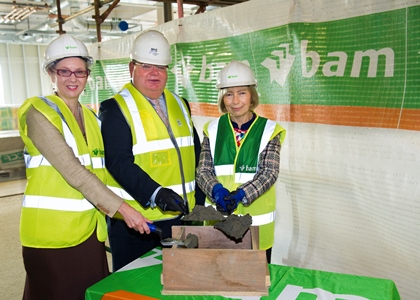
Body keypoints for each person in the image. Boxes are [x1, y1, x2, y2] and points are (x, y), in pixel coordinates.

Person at [18, 34, 150, 300]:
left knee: (89, 293)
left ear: (88, 75)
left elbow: (101, 172)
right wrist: (124, 210)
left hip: (89, 231)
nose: (72, 78)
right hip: (51, 235)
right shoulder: (38, 112)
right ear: (50, 73)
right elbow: (74, 171)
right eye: (64, 71)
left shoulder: (90, 116)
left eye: (80, 72)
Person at [99, 30, 205, 271]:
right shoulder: (114, 109)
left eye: (161, 66)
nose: (155, 73)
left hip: (181, 219)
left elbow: (196, 155)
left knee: (181, 287)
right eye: (146, 66)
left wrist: (198, 202)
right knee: (134, 292)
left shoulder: (180, 103)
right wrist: (156, 194)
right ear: (131, 68)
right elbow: (118, 162)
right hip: (137, 224)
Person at [196, 60, 286, 263]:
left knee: (254, 284)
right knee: (218, 280)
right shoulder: (212, 129)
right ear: (222, 98)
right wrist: (216, 191)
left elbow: (269, 173)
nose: (235, 101)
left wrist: (242, 194)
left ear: (252, 95)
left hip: (256, 225)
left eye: (242, 93)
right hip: (218, 223)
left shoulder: (270, 130)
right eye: (229, 94)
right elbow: (203, 171)